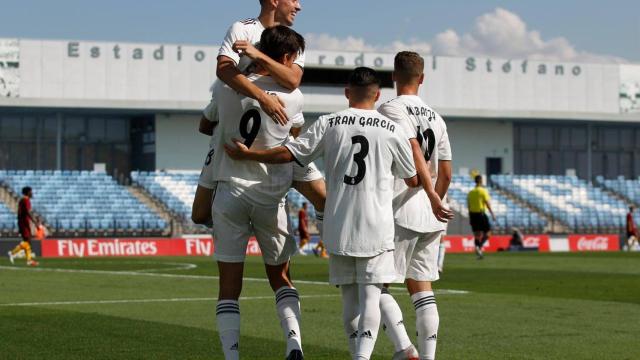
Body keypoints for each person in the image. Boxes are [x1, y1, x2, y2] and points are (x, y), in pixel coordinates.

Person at [226, 67, 420, 360]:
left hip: (338, 221)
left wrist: (249, 155)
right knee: (371, 294)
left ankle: (358, 353)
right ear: (378, 95)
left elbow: (289, 154)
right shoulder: (392, 129)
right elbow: (412, 177)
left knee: (348, 298)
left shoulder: (329, 123)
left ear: (346, 92)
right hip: (377, 224)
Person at [210, 26, 306, 360]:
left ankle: (232, 356)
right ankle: (293, 342)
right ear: (287, 58)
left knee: (229, 287)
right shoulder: (294, 98)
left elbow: (207, 124)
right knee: (281, 277)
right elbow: (295, 130)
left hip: (230, 192)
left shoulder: (226, 89)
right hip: (270, 196)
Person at [191, 0, 327, 235]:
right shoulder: (242, 28)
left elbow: (292, 80)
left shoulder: (294, 40)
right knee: (200, 214)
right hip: (234, 128)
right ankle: (241, 220)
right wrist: (263, 98)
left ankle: (331, 243)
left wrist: (258, 57)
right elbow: (224, 69)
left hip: (279, 128)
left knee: (323, 197)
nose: (299, 6)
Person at [376, 51, 454, 360]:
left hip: (398, 208)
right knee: (422, 289)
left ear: (394, 76)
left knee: (374, 283)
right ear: (421, 78)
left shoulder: (389, 109)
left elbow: (410, 150)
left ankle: (404, 349)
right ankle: (428, 357)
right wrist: (434, 199)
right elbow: (446, 172)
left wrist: (424, 194)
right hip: (433, 215)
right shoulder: (437, 117)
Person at [8, 186, 39, 266]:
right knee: (27, 241)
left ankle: (29, 260)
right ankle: (12, 253)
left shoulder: (22, 200)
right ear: (28, 192)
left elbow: (21, 212)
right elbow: (27, 212)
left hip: (22, 222)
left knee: (28, 242)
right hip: (24, 223)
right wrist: (35, 222)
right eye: (31, 191)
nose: (32, 193)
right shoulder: (26, 200)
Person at [467, 175, 496, 259]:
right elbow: (487, 203)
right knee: (488, 233)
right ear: (481, 181)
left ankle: (478, 250)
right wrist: (492, 214)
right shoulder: (483, 191)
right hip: (481, 214)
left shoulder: (471, 192)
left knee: (477, 234)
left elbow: (469, 206)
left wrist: (470, 217)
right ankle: (479, 246)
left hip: (473, 214)